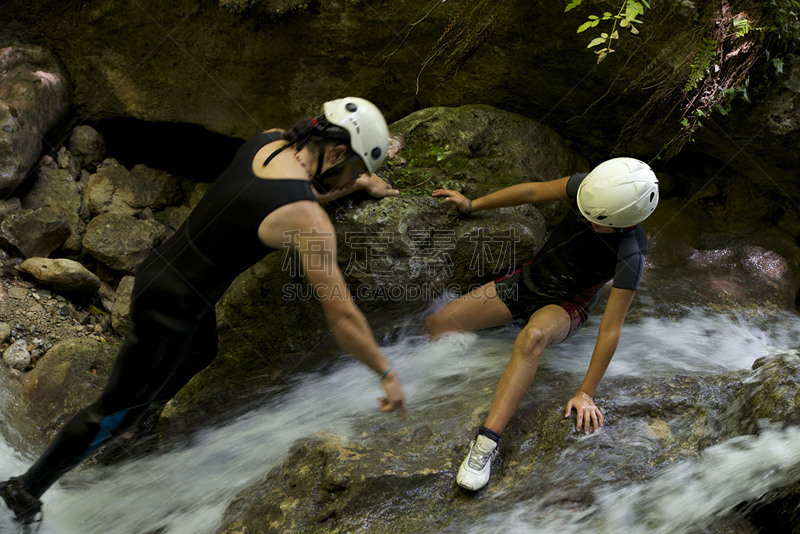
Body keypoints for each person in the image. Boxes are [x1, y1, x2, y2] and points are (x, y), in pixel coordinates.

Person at [0, 97, 406, 525]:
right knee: (114, 412)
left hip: (159, 272)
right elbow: (341, 316)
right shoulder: (309, 221)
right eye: (354, 170)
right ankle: (25, 490)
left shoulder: (267, 142)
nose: (353, 178)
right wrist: (386, 372)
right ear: (337, 153)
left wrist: (355, 185)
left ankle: (141, 416)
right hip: (173, 310)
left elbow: (281, 195)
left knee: (202, 350)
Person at [424, 157, 659, 491]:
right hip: (528, 280)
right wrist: (472, 204)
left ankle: (486, 444)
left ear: (624, 222)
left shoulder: (631, 253)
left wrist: (586, 393)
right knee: (436, 325)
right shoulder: (589, 189)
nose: (587, 218)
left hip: (565, 305)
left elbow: (610, 329)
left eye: (597, 220)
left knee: (532, 337)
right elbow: (533, 191)